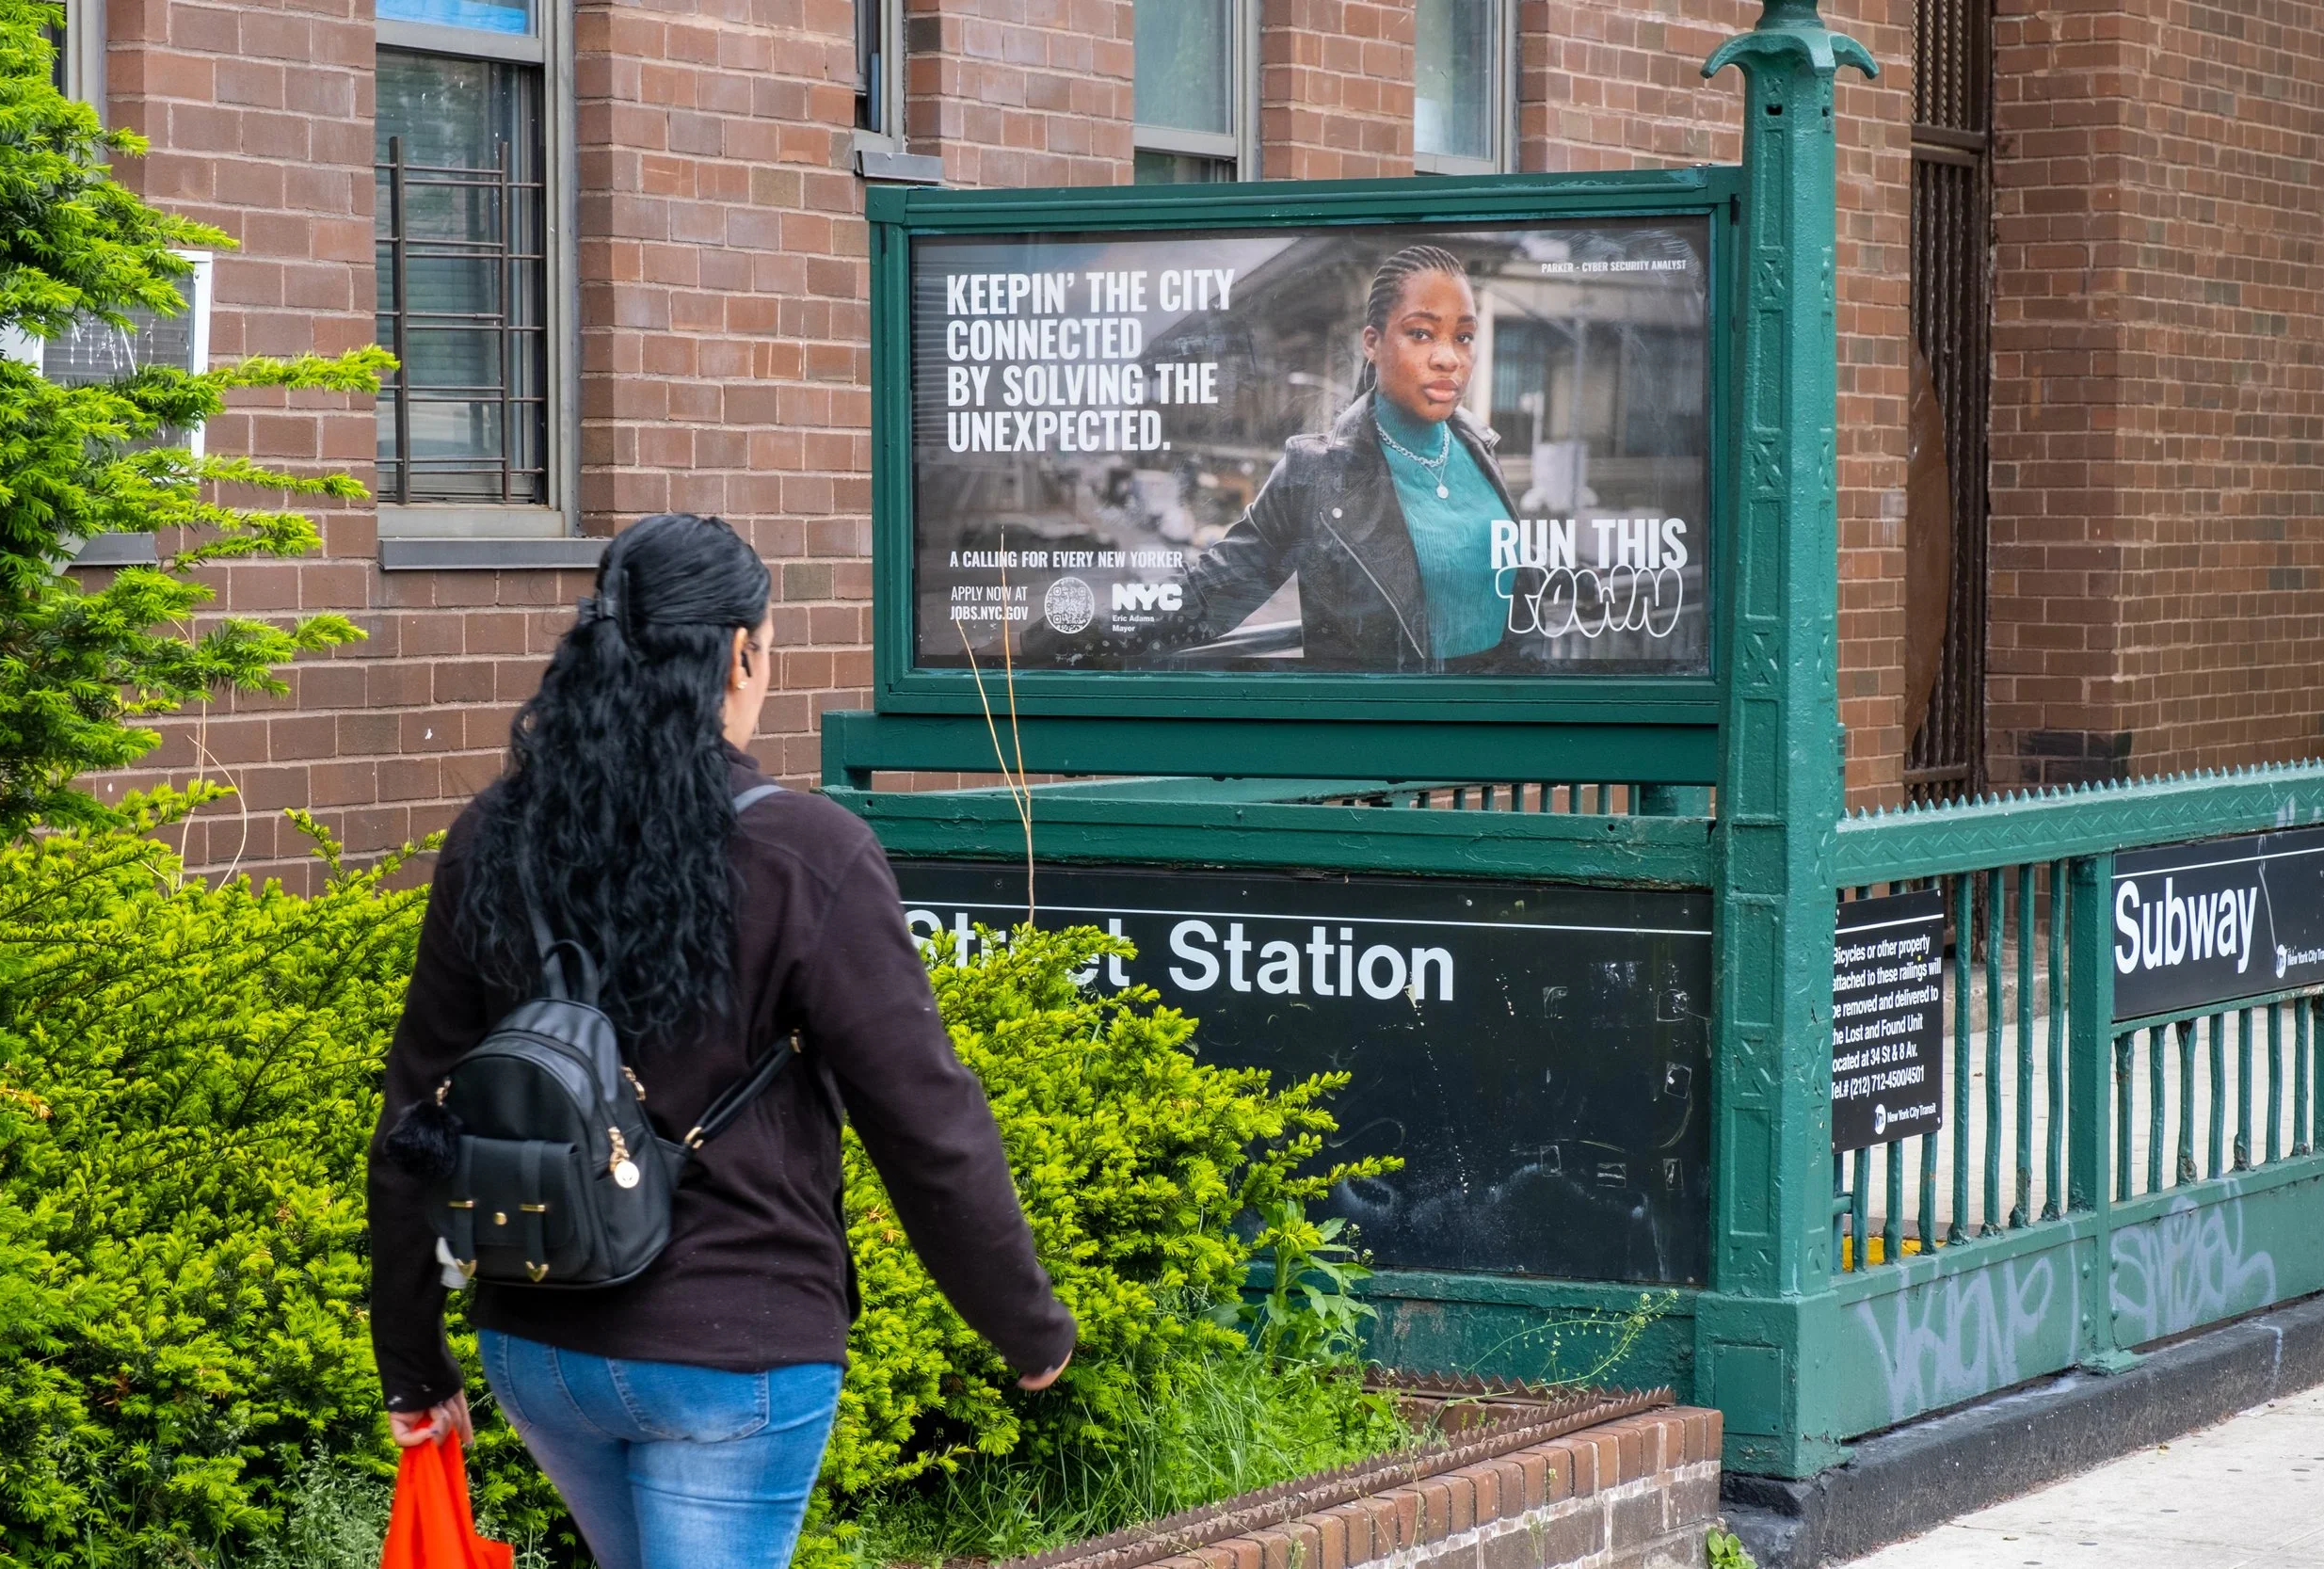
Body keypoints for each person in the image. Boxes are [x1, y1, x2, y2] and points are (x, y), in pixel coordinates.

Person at [367, 513, 1076, 1569]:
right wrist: (1026, 1323)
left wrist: (412, 1363)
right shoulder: (804, 850)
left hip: (539, 1340)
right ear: (739, 651)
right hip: (733, 1344)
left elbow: (415, 1113)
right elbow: (924, 1114)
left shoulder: (495, 835)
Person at [1092, 245, 1524, 672]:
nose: (1448, 358)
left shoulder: (1480, 447)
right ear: (1372, 343)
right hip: (1390, 727)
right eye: (1421, 333)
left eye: (1463, 337)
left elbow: (1502, 586)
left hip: (1499, 722)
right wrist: (1065, 637)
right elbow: (1209, 592)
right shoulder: (1318, 473)